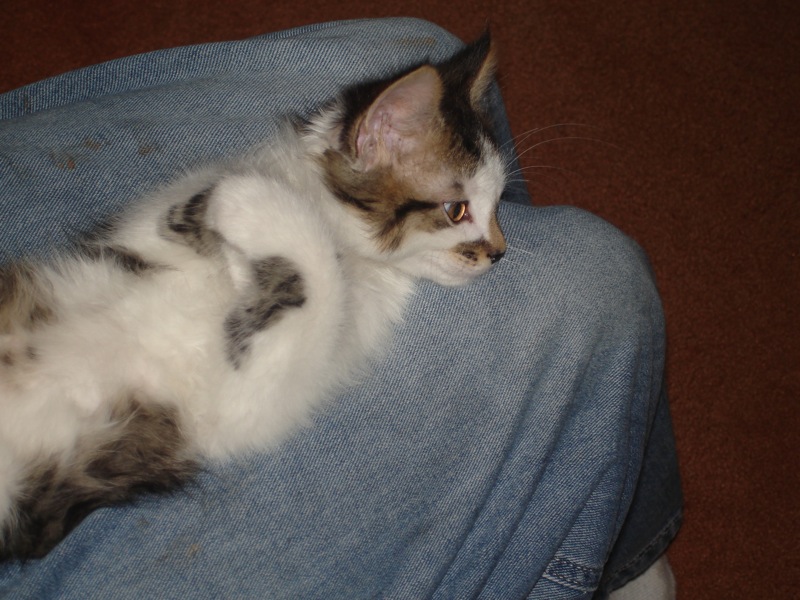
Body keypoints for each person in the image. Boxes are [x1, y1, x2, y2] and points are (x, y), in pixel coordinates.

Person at [0, 18, 681, 599]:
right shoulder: (345, 259)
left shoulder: (364, 245)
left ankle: (590, 510)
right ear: (371, 137)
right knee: (594, 279)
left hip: (77, 320)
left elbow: (189, 223)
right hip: (46, 451)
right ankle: (597, 521)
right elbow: (249, 403)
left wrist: (265, 232)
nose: (495, 246)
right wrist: (292, 247)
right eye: (461, 212)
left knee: (426, 45)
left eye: (486, 215)